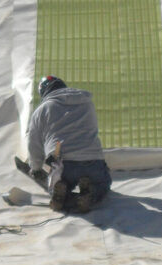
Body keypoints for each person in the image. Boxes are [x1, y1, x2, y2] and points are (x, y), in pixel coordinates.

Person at [27, 76, 111, 213]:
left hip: (63, 164)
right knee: (103, 185)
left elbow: (33, 143)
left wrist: (35, 168)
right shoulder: (87, 103)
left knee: (54, 186)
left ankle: (60, 193)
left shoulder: (43, 109)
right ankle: (90, 194)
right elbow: (94, 130)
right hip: (93, 160)